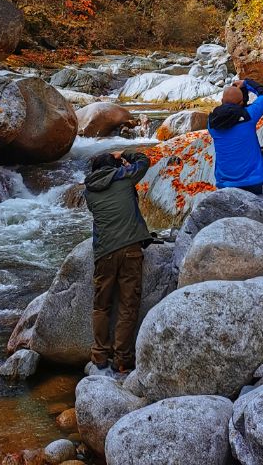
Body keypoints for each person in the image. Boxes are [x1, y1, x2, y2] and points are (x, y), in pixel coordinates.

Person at [83, 147, 152, 376]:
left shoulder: (89, 191)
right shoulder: (124, 176)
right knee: (127, 305)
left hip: (104, 253)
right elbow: (144, 161)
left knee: (101, 305)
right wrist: (125, 153)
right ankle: (122, 360)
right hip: (131, 249)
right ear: (114, 166)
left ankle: (99, 355)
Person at [207, 77, 263, 194]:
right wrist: (246, 83)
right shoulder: (249, 115)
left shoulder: (211, 122)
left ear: (222, 100)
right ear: (242, 103)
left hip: (225, 181)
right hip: (253, 180)